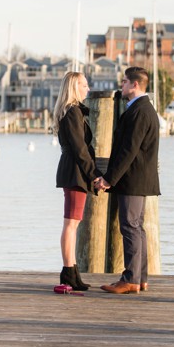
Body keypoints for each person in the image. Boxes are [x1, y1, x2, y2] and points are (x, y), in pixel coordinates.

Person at [94, 66, 160, 294]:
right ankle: (139, 277)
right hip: (138, 178)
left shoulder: (140, 111)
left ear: (135, 84)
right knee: (136, 228)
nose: (120, 86)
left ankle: (131, 278)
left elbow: (128, 150)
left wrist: (109, 179)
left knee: (130, 227)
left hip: (133, 178)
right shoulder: (141, 108)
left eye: (124, 82)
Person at [53, 71, 105, 291]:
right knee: (71, 223)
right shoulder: (73, 112)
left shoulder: (70, 111)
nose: (88, 88)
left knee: (72, 223)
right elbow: (80, 149)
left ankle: (71, 271)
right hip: (75, 171)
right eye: (84, 85)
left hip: (72, 170)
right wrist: (94, 174)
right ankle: (68, 272)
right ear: (75, 87)